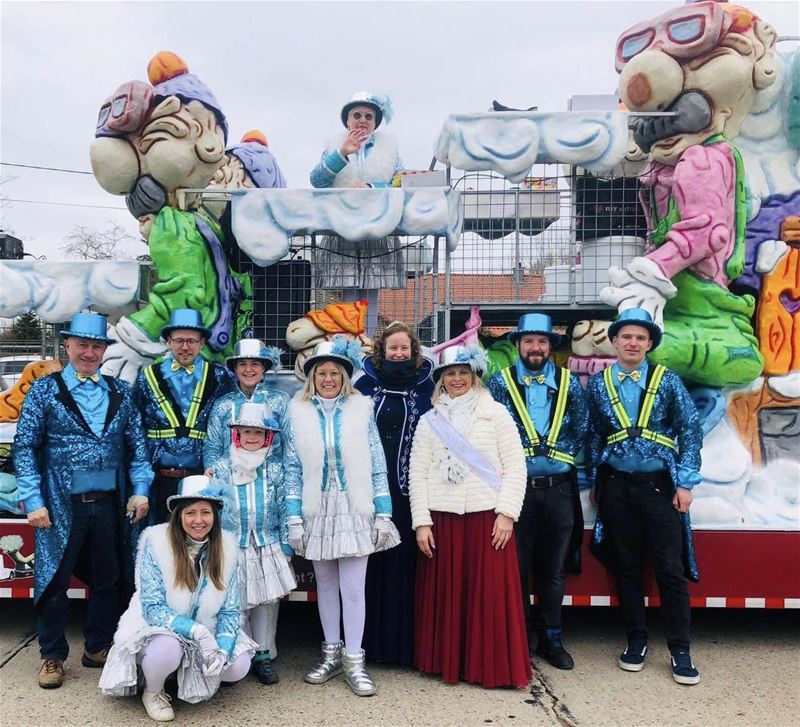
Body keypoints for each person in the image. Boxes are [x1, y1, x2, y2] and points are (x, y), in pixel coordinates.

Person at [13, 312, 152, 689]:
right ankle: (52, 656)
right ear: (68, 346)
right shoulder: (45, 390)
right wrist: (33, 499)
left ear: (105, 350)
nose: (89, 353)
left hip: (109, 503)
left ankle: (98, 646)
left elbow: (137, 448)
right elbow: (25, 447)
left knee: (109, 579)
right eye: (83, 345)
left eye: (96, 346)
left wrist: (140, 489)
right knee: (55, 582)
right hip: (60, 505)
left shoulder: (120, 392)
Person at [586, 308, 702, 685]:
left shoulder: (667, 381)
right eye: (626, 337)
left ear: (650, 343)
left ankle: (680, 649)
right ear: (614, 341)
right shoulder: (599, 384)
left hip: (659, 489)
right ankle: (635, 641)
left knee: (669, 570)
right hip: (617, 487)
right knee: (627, 569)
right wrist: (593, 482)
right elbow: (592, 434)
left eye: (640, 338)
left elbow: (690, 429)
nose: (633, 343)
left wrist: (685, 483)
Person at [284, 336, 400, 696]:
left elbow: (377, 463)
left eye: (335, 373)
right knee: (327, 586)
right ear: (312, 378)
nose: (329, 379)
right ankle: (331, 653)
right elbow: (292, 468)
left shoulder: (360, 409)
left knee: (353, 588)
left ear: (344, 377)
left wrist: (383, 513)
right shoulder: (297, 412)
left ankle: (354, 659)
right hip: (317, 508)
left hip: (354, 506)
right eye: (322, 373)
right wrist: (293, 518)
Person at [409, 344, 531, 688]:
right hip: (443, 519)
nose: (457, 379)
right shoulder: (429, 421)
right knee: (448, 596)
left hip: (487, 518)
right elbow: (417, 473)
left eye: (464, 372)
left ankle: (487, 667)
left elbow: (515, 467)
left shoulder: (497, 415)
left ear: (475, 376)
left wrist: (507, 513)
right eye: (450, 373)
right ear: (441, 380)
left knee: (488, 598)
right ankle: (448, 662)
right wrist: (421, 521)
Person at [99, 476, 255, 722]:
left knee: (239, 665)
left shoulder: (226, 546)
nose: (198, 520)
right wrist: (197, 631)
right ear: (179, 515)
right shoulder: (156, 542)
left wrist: (223, 650)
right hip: (159, 630)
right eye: (191, 512)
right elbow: (152, 607)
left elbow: (229, 609)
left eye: (206, 512)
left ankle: (189, 675)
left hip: (205, 627)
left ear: (215, 516)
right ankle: (153, 690)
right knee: (167, 650)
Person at [487, 313, 588, 670]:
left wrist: (561, 454)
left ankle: (552, 638)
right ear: (517, 345)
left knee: (553, 569)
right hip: (517, 492)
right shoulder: (499, 384)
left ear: (550, 347)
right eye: (528, 341)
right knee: (515, 568)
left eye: (542, 341)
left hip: (559, 489)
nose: (535, 347)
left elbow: (583, 426)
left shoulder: (569, 383)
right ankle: (517, 640)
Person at [202, 337, 289, 680]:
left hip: (267, 490)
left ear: (265, 368)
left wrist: (275, 476)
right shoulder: (224, 405)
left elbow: (289, 446)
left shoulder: (279, 401)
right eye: (242, 364)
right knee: (234, 591)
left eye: (255, 364)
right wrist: (213, 473)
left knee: (267, 596)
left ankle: (264, 653)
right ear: (235, 368)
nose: (249, 369)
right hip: (234, 498)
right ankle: (237, 648)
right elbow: (211, 446)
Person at [353, 320, 434, 666]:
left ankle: (405, 647)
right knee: (370, 566)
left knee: (405, 566)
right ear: (381, 351)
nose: (398, 353)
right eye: (392, 348)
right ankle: (368, 643)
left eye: (404, 348)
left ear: (413, 351)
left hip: (408, 491)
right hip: (370, 491)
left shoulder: (428, 386)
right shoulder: (364, 385)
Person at [210, 401, 296, 685]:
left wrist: (286, 544)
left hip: (266, 542)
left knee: (266, 602)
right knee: (237, 602)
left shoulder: (274, 469)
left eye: (257, 433)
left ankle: (262, 655)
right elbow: (212, 509)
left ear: (267, 437)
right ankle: (237, 652)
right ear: (237, 434)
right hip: (233, 545)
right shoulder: (222, 467)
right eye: (246, 432)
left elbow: (285, 506)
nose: (251, 438)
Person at [309, 91, 405, 334]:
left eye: (369, 116)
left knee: (370, 293)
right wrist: (341, 154)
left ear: (375, 121)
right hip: (343, 227)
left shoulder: (390, 147)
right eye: (357, 115)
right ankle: (350, 344)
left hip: (376, 227)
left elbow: (402, 182)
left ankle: (368, 343)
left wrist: (372, 188)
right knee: (347, 291)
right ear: (348, 120)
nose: (363, 120)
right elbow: (317, 181)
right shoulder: (334, 145)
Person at [133, 308, 233, 524]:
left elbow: (227, 426)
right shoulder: (148, 376)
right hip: (158, 478)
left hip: (201, 475)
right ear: (169, 342)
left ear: (201, 343)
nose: (185, 347)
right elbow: (135, 428)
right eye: (179, 340)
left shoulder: (218, 376)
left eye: (191, 341)